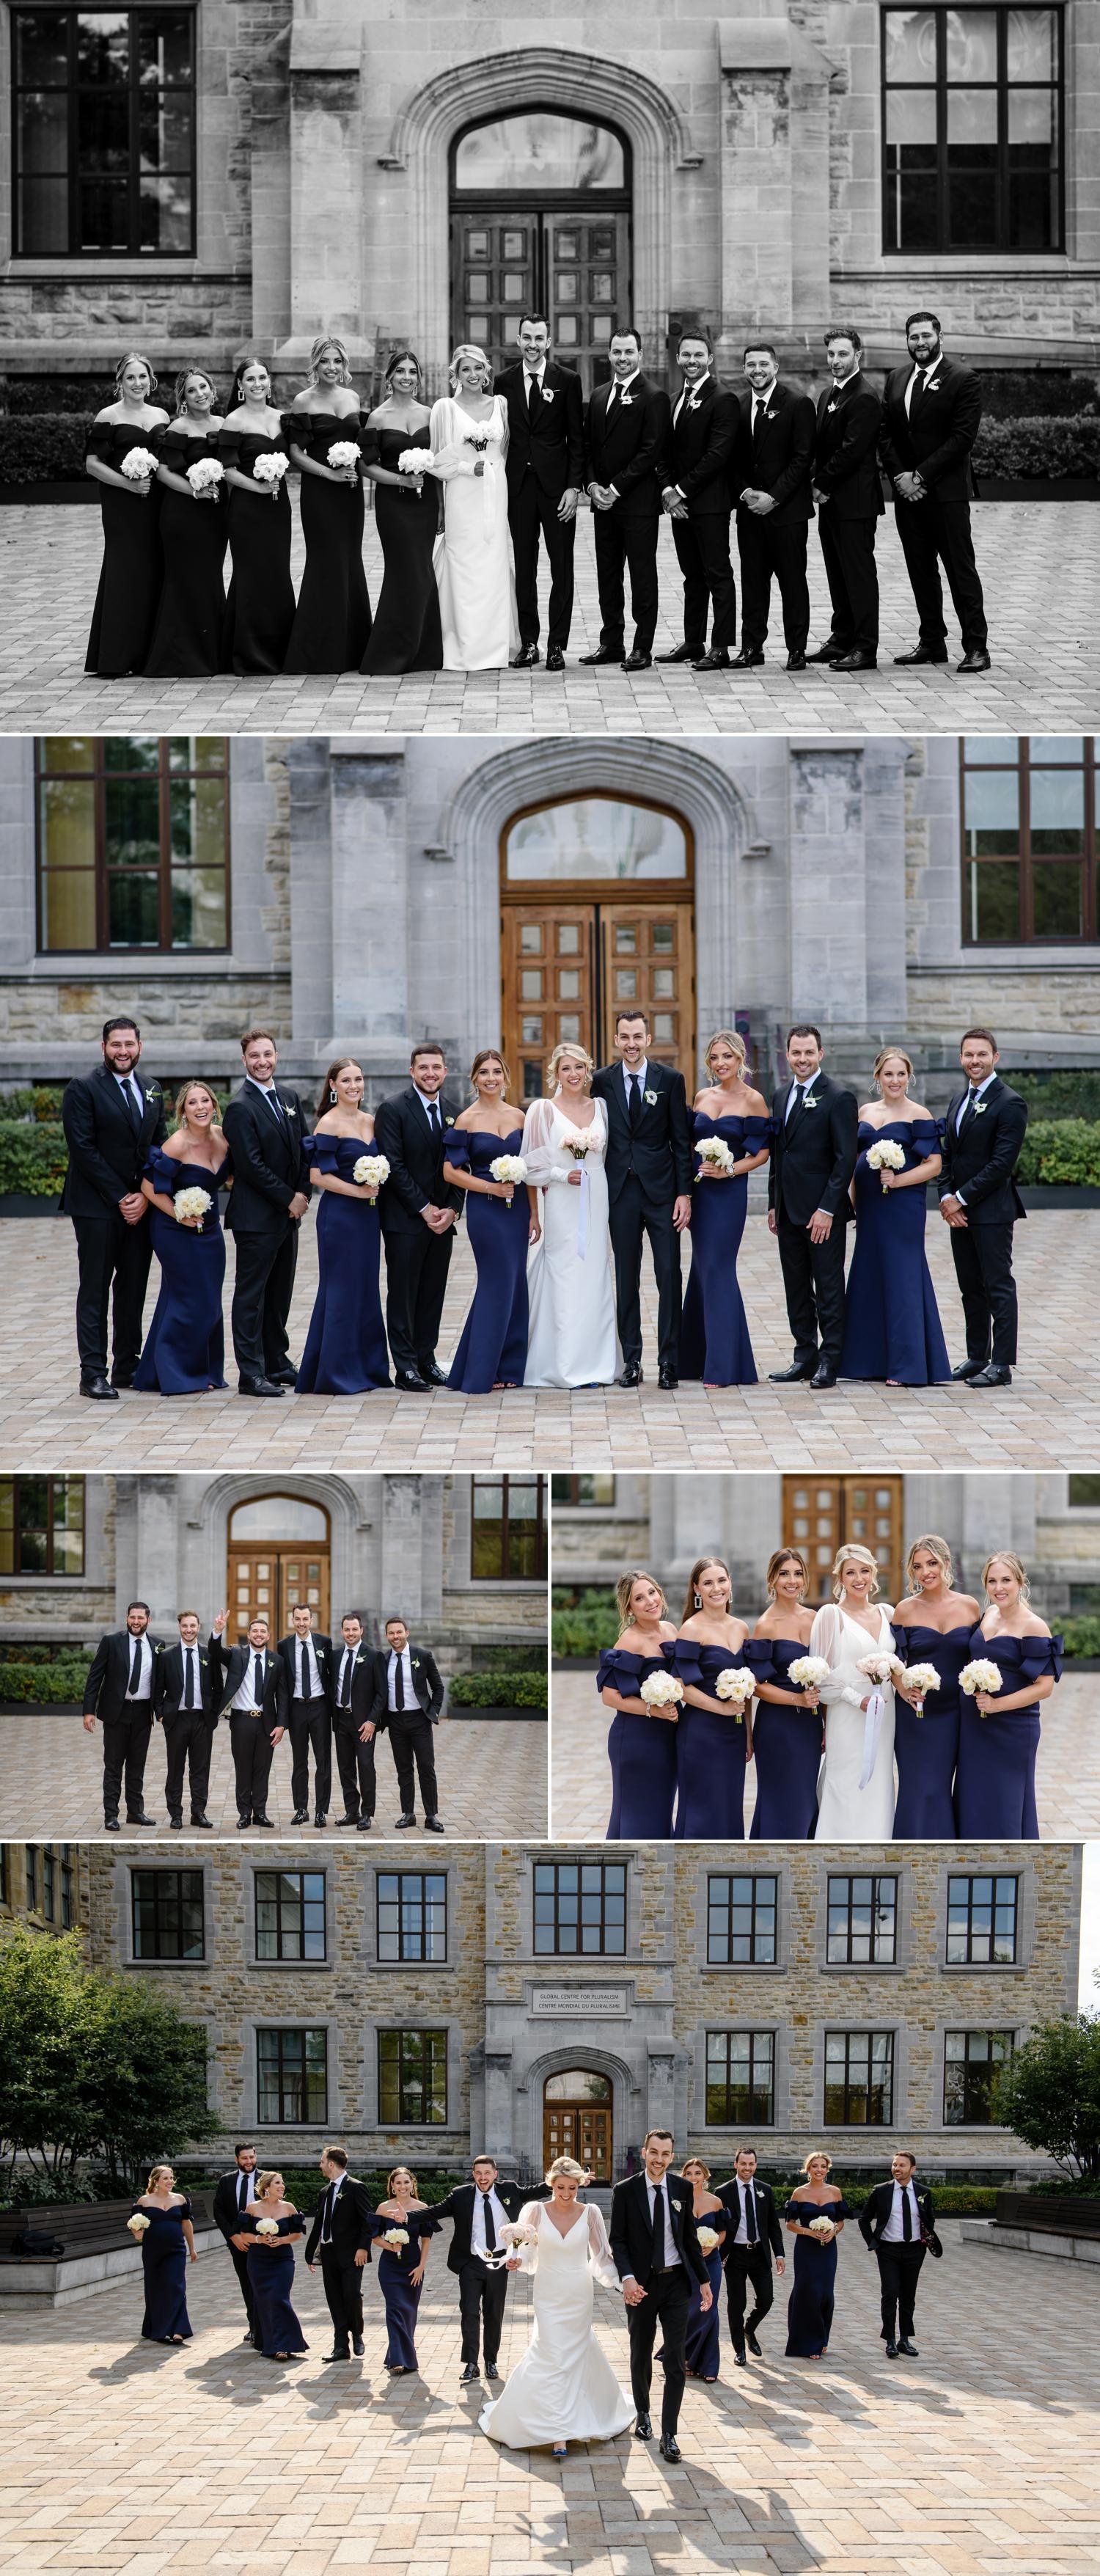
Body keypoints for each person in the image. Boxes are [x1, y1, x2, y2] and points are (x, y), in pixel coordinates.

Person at [483, 2154, 633, 2456]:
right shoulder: (534, 2211)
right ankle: (556, 2429)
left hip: (578, 2290)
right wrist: (516, 2260)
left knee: (575, 2352)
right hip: (548, 2289)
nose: (566, 2194)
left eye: (572, 2189)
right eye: (561, 2187)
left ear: (579, 2186)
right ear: (551, 2184)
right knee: (549, 2351)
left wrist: (624, 2282)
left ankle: (564, 2429)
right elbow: (526, 2252)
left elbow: (602, 2256)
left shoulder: (590, 2213)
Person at [60, 1016, 166, 1400]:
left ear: (140, 1046)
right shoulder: (83, 1088)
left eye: (130, 1045)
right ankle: (92, 1372)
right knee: (96, 1288)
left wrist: (145, 1194)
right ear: (103, 1048)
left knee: (133, 1286)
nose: (123, 1052)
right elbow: (83, 1150)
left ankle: (127, 1364)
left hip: (141, 1207)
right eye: (116, 1045)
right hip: (97, 1207)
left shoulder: (152, 1088)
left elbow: (159, 1146)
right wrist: (123, 1196)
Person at [880, 311, 989, 673]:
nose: (920, 343)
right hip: (907, 496)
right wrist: (901, 477)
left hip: (946, 494)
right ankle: (932, 642)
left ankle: (976, 647)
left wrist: (920, 476)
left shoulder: (963, 379)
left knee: (960, 571)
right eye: (913, 337)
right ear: (907, 340)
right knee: (920, 570)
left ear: (940, 337)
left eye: (926, 336)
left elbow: (962, 439)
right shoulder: (896, 379)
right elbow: (887, 435)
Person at [593, 1009, 693, 1391]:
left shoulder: (670, 1080)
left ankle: (669, 1361)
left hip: (663, 1193)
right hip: (620, 1192)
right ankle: (631, 1360)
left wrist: (685, 1193)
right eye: (624, 1036)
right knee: (626, 1277)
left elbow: (680, 1141)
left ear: (648, 1039)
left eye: (637, 1036)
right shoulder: (601, 1081)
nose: (631, 1043)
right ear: (616, 1040)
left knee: (668, 1274)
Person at [838, 1047, 950, 1387]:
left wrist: (899, 1180)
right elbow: (856, 1163)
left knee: (902, 1279)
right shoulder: (865, 1111)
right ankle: (867, 1362)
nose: (895, 1080)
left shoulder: (919, 1113)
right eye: (889, 1074)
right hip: (870, 1209)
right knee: (870, 1277)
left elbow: (934, 1164)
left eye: (901, 1074)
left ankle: (906, 1366)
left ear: (909, 1076)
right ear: (878, 1077)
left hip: (902, 1209)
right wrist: (854, 1205)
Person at [609, 2128, 711, 2462]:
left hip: (676, 2285)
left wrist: (705, 2281)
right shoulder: (625, 2190)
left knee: (675, 2360)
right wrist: (626, 2279)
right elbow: (619, 2240)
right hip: (640, 2286)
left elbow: (689, 2239)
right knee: (640, 2353)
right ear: (644, 2152)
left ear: (672, 2156)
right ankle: (643, 2413)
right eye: (654, 2152)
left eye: (665, 2154)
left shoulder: (682, 2188)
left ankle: (670, 2434)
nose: (659, 2159)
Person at [522, 1042, 618, 1388]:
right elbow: (530, 1168)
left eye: (579, 1067)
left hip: (597, 1196)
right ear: (555, 1073)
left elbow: (607, 1158)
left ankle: (597, 1362)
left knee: (594, 1272)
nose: (573, 1075)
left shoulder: (602, 1107)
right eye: (566, 1069)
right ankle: (563, 1365)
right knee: (564, 1271)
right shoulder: (543, 1110)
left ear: (588, 1069)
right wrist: (562, 1176)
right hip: (563, 1200)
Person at [221, 1029, 311, 1399]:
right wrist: (288, 1198)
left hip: (289, 1215)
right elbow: (250, 1166)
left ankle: (277, 1360)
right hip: (256, 1217)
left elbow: (307, 1148)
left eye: (268, 1054)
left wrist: (305, 1192)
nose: (262, 1061)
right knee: (251, 1295)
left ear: (276, 1056)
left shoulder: (288, 1097)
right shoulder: (240, 1106)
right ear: (244, 1061)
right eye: (255, 1056)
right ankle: (251, 1373)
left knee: (280, 1293)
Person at [768, 1023, 857, 1391]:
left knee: (829, 1287)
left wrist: (828, 1209)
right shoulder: (779, 1094)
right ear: (787, 1055)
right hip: (788, 1210)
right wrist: (774, 1203)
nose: (801, 1059)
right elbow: (779, 1154)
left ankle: (830, 1360)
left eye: (808, 1052)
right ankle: (804, 1355)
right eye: (795, 1052)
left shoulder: (838, 1096)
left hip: (823, 1213)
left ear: (820, 1054)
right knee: (796, 1287)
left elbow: (845, 1159)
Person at [679, 1028, 771, 1386]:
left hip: (729, 1195)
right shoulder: (702, 1096)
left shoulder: (753, 1100)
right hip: (700, 1195)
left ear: (740, 1059)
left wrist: (729, 1169)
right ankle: (695, 1360)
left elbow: (762, 1153)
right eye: (715, 1057)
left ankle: (724, 1366)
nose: (721, 1063)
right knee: (701, 1271)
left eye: (728, 1057)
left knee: (718, 1270)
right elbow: (689, 1147)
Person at [938, 1028, 1028, 1389]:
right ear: (961, 1058)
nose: (975, 1061)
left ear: (996, 1057)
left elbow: (1001, 1164)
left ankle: (1002, 1363)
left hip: (991, 1211)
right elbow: (948, 1154)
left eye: (982, 1054)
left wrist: (960, 1198)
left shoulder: (1010, 1102)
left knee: (997, 1286)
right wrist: (946, 1198)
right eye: (969, 1055)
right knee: (970, 1286)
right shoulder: (958, 1100)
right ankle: (978, 1356)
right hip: (958, 1213)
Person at [496, 312, 584, 670]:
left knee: (562, 566)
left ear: (548, 342)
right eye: (527, 337)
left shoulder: (568, 380)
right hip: (518, 487)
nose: (533, 344)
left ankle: (557, 646)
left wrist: (573, 488)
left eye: (539, 338)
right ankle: (529, 643)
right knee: (525, 565)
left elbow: (577, 441)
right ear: (518, 341)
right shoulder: (502, 382)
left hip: (556, 489)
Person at [297, 1057, 390, 1394]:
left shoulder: (371, 1121)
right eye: (347, 1080)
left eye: (359, 1080)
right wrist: (359, 1190)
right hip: (340, 1218)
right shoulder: (327, 1123)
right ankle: (336, 1373)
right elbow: (318, 1175)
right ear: (333, 1086)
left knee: (366, 1288)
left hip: (368, 1218)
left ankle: (369, 1368)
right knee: (341, 1289)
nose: (354, 1086)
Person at [580, 329, 671, 672]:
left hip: (637, 503)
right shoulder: (600, 394)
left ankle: (642, 647)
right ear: (609, 353)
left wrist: (615, 488)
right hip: (602, 503)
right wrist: (591, 487)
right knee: (608, 575)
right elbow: (589, 448)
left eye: (629, 352)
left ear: (641, 354)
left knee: (642, 575)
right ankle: (612, 642)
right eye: (617, 351)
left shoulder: (654, 396)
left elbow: (651, 451)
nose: (622, 358)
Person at [133, 1078, 231, 1395]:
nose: (200, 1107)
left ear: (214, 1106)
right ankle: (181, 1374)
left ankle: (162, 1372)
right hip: (174, 1230)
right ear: (182, 1111)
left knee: (209, 1301)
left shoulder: (222, 1137)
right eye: (193, 1103)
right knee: (192, 1300)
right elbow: (149, 1187)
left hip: (211, 1231)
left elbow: (230, 1173)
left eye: (205, 1101)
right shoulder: (177, 1144)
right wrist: (180, 1214)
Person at [375, 1042, 463, 1393]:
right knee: (403, 1293)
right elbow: (393, 1165)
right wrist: (424, 1208)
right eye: (423, 1067)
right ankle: (405, 1366)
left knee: (432, 1294)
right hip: (405, 1220)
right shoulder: (393, 1109)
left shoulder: (456, 1112)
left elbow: (462, 1166)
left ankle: (427, 1359)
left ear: (445, 1071)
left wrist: (453, 1210)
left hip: (443, 1221)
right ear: (412, 1071)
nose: (430, 1073)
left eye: (436, 1067)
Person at [283, 333, 373, 672]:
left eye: (337, 361)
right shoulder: (303, 401)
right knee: (324, 562)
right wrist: (328, 474)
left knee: (350, 560)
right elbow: (294, 453)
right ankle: (318, 650)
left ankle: (353, 646)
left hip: (350, 492)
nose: (331, 367)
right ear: (315, 364)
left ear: (345, 364)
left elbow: (363, 443)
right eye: (325, 361)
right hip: (320, 492)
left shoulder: (353, 396)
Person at [957, 1551, 1062, 1838]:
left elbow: (1045, 1686)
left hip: (1013, 1728)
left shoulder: (1034, 1625)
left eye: (1006, 1580)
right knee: (974, 1793)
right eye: (992, 1581)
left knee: (1007, 1798)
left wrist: (996, 1705)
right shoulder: (988, 1614)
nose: (998, 1588)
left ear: (1020, 1582)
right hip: (976, 1725)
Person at [444, 1049, 530, 1392]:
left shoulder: (521, 1117)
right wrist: (490, 1187)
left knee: (516, 1283)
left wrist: (535, 1215)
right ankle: (481, 1371)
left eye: (497, 1072)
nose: (491, 1078)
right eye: (484, 1073)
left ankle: (508, 1367)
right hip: (484, 1209)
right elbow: (450, 1172)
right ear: (474, 1079)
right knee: (496, 1283)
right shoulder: (465, 1119)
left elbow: (533, 1170)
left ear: (506, 1078)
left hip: (519, 1208)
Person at [425, 347, 516, 670]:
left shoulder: (500, 405)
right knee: (463, 562)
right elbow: (435, 463)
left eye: (479, 368)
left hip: (496, 491)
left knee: (493, 561)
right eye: (466, 370)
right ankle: (464, 644)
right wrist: (467, 470)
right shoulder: (444, 409)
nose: (473, 375)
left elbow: (504, 454)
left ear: (487, 371)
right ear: (456, 374)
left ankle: (494, 646)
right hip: (462, 494)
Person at [433, 2154, 555, 2385]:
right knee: (469, 2311)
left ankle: (491, 2361)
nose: (482, 2177)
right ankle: (470, 2364)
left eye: (487, 2173)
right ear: (473, 2174)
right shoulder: (461, 2195)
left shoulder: (508, 2190)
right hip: (471, 2262)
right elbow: (434, 2211)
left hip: (499, 2263)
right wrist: (405, 2218)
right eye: (478, 2173)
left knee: (493, 2313)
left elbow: (538, 2190)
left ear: (495, 2174)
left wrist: (569, 2177)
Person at [730, 343, 815, 670]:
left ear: (776, 368)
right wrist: (746, 493)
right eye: (750, 365)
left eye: (763, 364)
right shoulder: (737, 406)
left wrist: (773, 497)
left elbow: (802, 458)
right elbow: (732, 460)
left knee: (792, 581)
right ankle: (752, 647)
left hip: (788, 513)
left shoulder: (797, 403)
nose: (757, 370)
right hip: (750, 512)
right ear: (744, 370)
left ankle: (797, 649)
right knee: (752, 582)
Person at [657, 329, 738, 670]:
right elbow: (663, 450)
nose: (692, 361)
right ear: (677, 359)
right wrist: (667, 491)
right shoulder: (674, 398)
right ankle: (694, 641)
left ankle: (720, 646)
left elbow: (717, 454)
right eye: (686, 355)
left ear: (710, 359)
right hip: (681, 506)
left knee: (717, 573)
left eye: (698, 356)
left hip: (710, 504)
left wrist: (681, 490)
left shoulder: (723, 398)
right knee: (691, 575)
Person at [359, 348, 443, 673]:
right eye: (401, 371)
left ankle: (424, 651)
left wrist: (442, 508)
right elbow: (365, 466)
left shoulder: (430, 414)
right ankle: (390, 652)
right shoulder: (377, 418)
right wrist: (400, 481)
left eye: (412, 372)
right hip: (393, 505)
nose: (407, 377)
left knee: (422, 571)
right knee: (402, 571)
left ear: (418, 378)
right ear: (390, 377)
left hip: (426, 505)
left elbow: (437, 465)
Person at [84, 351, 169, 676]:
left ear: (151, 380)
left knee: (155, 568)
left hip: (158, 503)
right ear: (120, 381)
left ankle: (149, 652)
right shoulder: (108, 415)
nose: (137, 383)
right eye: (130, 377)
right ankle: (117, 655)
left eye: (142, 376)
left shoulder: (161, 413)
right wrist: (127, 485)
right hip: (123, 505)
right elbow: (93, 464)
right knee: (126, 571)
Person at [890, 1534, 980, 1838]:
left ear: (947, 1564)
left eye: (932, 1564)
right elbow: (894, 1663)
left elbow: (981, 1658)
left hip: (959, 1714)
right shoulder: (904, 1609)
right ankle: (911, 1859)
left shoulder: (969, 1607)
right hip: (917, 1715)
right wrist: (902, 1689)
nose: (926, 1572)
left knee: (945, 1786)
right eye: (918, 1566)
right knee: (918, 1787)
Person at [144, 366, 227, 677]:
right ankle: (177, 657)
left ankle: (210, 654)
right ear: (183, 398)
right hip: (183, 514)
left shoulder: (223, 424)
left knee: (209, 580)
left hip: (216, 516)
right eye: (191, 390)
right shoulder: (178, 427)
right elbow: (164, 471)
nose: (200, 394)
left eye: (203, 387)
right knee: (184, 582)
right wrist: (195, 490)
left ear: (212, 390)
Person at [809, 326, 884, 673]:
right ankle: (842, 639)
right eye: (831, 354)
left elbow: (852, 451)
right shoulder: (828, 394)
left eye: (842, 354)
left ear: (858, 355)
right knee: (837, 575)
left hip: (855, 503)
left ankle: (865, 648)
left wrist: (820, 483)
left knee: (859, 576)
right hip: (832, 504)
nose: (835, 361)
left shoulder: (865, 396)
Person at [810, 1545, 898, 1839]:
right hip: (847, 1712)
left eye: (864, 1570)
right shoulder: (830, 1615)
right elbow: (820, 1675)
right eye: (850, 1572)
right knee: (846, 1777)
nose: (858, 1578)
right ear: (840, 1577)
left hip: (885, 1713)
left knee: (879, 1777)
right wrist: (856, 1700)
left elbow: (899, 1667)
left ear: (873, 1573)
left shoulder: (888, 1612)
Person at [219, 356, 296, 675]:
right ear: (240, 385)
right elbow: (226, 470)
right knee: (251, 576)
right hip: (248, 510)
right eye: (250, 379)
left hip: (280, 508)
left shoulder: (282, 418)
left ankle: (280, 650)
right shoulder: (233, 421)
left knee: (277, 573)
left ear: (269, 382)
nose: (257, 384)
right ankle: (249, 654)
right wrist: (258, 487)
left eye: (262, 378)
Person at [669, 1556, 752, 1841]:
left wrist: (748, 1735)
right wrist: (722, 1709)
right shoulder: (691, 1629)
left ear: (730, 1583)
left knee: (729, 1807)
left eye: (721, 1580)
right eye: (708, 1583)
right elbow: (681, 1686)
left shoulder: (741, 1627)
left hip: (734, 1734)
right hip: (701, 1733)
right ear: (697, 1589)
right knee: (702, 1809)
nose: (716, 1588)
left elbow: (747, 1688)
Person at [747, 1548, 822, 1840]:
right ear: (772, 1580)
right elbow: (756, 1686)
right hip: (778, 1726)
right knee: (781, 1801)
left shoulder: (817, 1618)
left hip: (810, 1726)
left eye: (798, 1573)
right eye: (784, 1574)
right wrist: (797, 1700)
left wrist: (825, 1723)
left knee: (805, 1801)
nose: (792, 1581)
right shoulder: (766, 1625)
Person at [598, 1571, 680, 1840]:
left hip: (667, 1737)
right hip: (635, 1740)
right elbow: (609, 1696)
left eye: (652, 1593)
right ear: (630, 1608)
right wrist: (652, 1710)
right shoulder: (630, 1641)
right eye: (639, 1598)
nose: (650, 1602)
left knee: (660, 1810)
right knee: (636, 1813)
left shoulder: (670, 1630)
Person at [82, 1601, 162, 1831]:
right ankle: (111, 1815)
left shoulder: (157, 1645)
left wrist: (161, 1713)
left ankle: (136, 1812)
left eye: (140, 1618)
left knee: (137, 1767)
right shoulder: (112, 1641)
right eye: (132, 1617)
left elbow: (159, 1683)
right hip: (116, 1713)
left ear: (148, 1620)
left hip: (142, 1713)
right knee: (114, 1766)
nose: (136, 1622)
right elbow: (94, 1677)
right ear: (127, 1618)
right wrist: (89, 1710)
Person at [858, 2151, 942, 2357]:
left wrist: (924, 2238)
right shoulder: (881, 2191)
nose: (897, 2168)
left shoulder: (923, 2192)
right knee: (890, 2293)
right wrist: (874, 2243)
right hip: (888, 2250)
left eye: (902, 2165)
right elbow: (864, 2219)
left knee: (908, 2296)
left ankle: (905, 2340)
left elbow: (929, 2217)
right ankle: (890, 2341)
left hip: (914, 2250)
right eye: (895, 2165)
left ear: (912, 2169)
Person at [209, 1609, 287, 1829]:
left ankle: (260, 1813)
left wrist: (281, 1725)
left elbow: (282, 1695)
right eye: (255, 1631)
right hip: (242, 1721)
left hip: (267, 1724)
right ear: (249, 1634)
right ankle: (244, 1813)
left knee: (262, 1769)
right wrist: (217, 1631)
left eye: (263, 1631)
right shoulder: (236, 1653)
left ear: (268, 1636)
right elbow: (215, 1652)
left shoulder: (277, 1661)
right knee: (243, 1769)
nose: (259, 1634)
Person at [368, 1617, 445, 1832]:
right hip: (395, 1722)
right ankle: (408, 1814)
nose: (395, 1637)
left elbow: (438, 1687)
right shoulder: (382, 1660)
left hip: (419, 1720)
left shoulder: (423, 1656)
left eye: (399, 1632)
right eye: (391, 1633)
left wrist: (433, 1711)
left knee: (426, 1768)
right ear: (387, 1636)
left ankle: (431, 1816)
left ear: (407, 1633)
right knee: (404, 1770)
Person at [715, 2147, 785, 2366]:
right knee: (737, 2303)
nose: (747, 2168)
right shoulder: (723, 2192)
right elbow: (719, 2226)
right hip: (735, 2255)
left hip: (759, 2254)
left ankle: (749, 2329)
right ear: (735, 2164)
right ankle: (739, 2350)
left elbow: (773, 2225)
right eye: (743, 2164)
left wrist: (779, 2254)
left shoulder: (765, 2190)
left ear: (756, 2165)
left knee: (766, 2299)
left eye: (751, 2164)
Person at [305, 2145, 374, 2362]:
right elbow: (319, 2224)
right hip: (328, 2253)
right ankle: (340, 2346)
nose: (320, 2165)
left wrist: (363, 2247)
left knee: (352, 2296)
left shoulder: (356, 2187)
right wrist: (311, 2255)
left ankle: (358, 2333)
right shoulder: (324, 2192)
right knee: (334, 2298)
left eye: (322, 2161)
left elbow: (367, 2221)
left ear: (331, 2164)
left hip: (353, 2254)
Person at [369, 2167, 438, 2373]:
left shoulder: (422, 2207)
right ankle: (400, 2359)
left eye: (406, 2182)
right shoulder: (383, 2208)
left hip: (413, 2265)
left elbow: (426, 2241)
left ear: (412, 2184)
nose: (402, 2186)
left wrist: (421, 2267)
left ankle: (397, 2354)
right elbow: (374, 2237)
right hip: (389, 2267)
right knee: (395, 2309)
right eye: (398, 2183)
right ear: (391, 2186)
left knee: (408, 2311)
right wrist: (390, 2246)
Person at [783, 2153, 851, 2358]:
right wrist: (810, 2232)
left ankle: (821, 2338)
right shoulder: (799, 2193)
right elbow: (790, 2224)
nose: (819, 2170)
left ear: (827, 2169)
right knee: (806, 2291)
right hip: (805, 2248)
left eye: (823, 2166)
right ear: (808, 2169)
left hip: (828, 2249)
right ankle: (805, 2342)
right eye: (815, 2166)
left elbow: (840, 2221)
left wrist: (834, 2232)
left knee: (824, 2292)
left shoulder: (835, 2192)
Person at [154, 1611, 216, 1829]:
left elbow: (217, 1687)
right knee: (175, 1769)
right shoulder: (167, 1656)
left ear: (199, 1627)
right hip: (176, 1720)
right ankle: (175, 1813)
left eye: (192, 1626)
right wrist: (161, 1713)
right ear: (179, 1627)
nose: (189, 1630)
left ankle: (198, 1812)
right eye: (185, 1626)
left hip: (202, 1720)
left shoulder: (209, 1655)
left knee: (200, 1769)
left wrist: (213, 1714)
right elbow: (157, 1688)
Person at [664, 2159, 726, 2379]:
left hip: (711, 2261)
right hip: (687, 2264)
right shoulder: (677, 2202)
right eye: (689, 2173)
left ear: (705, 2176)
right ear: (683, 2176)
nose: (693, 2177)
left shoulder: (716, 2202)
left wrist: (713, 2245)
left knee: (709, 2308)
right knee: (690, 2310)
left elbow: (722, 2232)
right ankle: (687, 2357)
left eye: (698, 2173)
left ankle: (709, 2365)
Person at [276, 1603, 336, 1827]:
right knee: (299, 1761)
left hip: (320, 1707)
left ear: (312, 1620)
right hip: (297, 1708)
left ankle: (321, 1810)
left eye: (305, 1619)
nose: (301, 1623)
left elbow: (330, 1675)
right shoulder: (284, 1646)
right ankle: (301, 1808)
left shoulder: (324, 1643)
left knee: (323, 1761)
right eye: (297, 1619)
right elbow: (282, 1684)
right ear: (292, 1621)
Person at [242, 2170, 308, 2360]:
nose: (282, 2186)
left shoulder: (289, 2207)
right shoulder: (252, 2208)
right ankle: (272, 2344)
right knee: (264, 2301)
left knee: (279, 2298)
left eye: (282, 2183)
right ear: (267, 2188)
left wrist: (282, 2240)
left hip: (283, 2260)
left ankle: (285, 2344)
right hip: (258, 2261)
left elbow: (298, 2234)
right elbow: (244, 2234)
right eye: (278, 2183)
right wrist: (259, 2239)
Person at [131, 2165, 195, 2344]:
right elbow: (135, 2224)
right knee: (156, 2289)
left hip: (176, 2250)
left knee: (176, 2287)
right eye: (166, 2178)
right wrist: (137, 2233)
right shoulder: (144, 2201)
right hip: (153, 2251)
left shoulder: (180, 2200)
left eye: (172, 2177)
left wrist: (192, 2247)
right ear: (156, 2181)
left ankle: (178, 2330)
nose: (170, 2181)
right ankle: (158, 2329)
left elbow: (187, 2224)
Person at [331, 1611, 380, 1831]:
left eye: (354, 1629)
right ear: (342, 1632)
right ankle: (352, 1811)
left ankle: (367, 1813)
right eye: (347, 1630)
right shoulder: (336, 1655)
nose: (351, 1633)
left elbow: (382, 1693)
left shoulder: (373, 1655)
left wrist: (372, 1721)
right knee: (346, 1767)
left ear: (361, 1630)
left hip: (364, 1724)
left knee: (366, 1766)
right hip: (341, 1719)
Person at [212, 2142, 262, 2346]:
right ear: (237, 2160)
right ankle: (253, 2327)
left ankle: (264, 2326)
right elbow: (219, 2211)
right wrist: (234, 2237)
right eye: (244, 2158)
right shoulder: (227, 2181)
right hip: (238, 2243)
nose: (249, 2161)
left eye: (251, 2157)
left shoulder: (267, 2179)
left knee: (261, 2284)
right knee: (247, 2284)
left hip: (262, 2242)